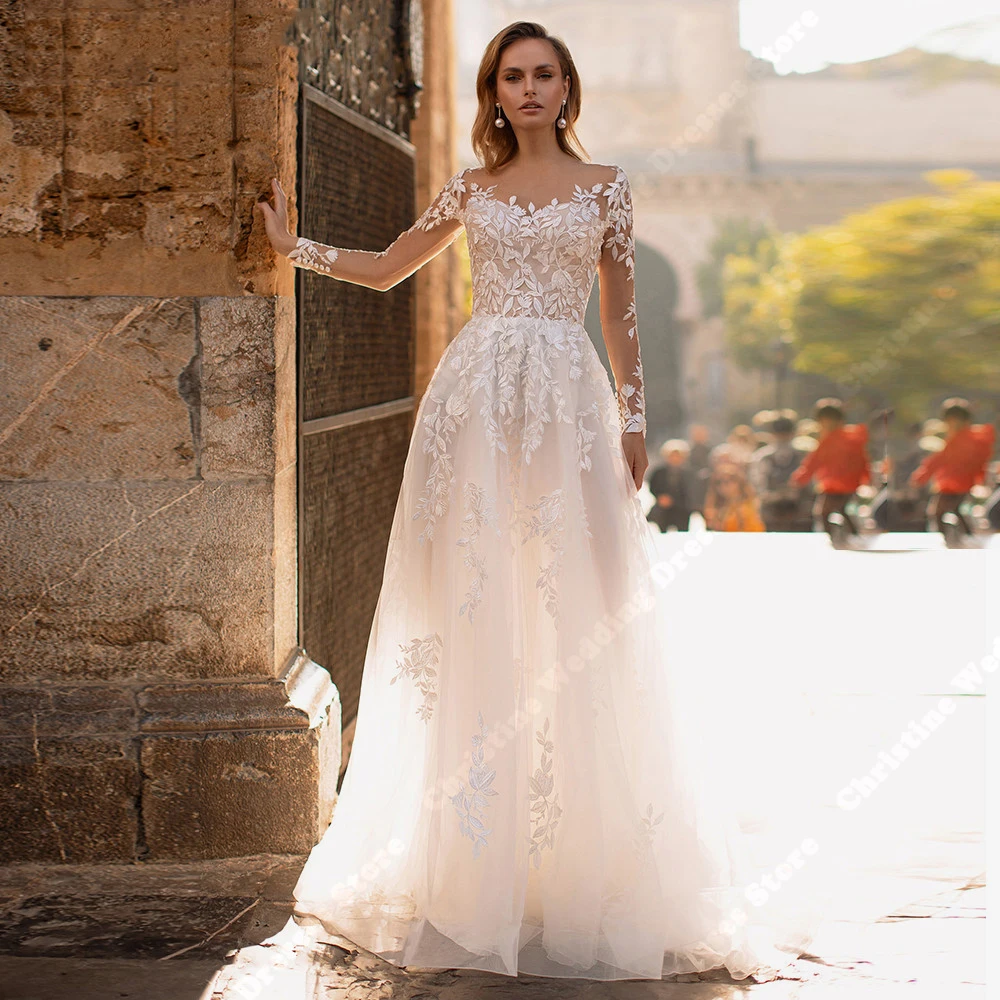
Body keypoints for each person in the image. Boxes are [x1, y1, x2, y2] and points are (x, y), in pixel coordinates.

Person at [257, 21, 817, 983]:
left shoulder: (606, 186)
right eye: (511, 76)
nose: (527, 89)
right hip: (474, 403)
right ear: (494, 91)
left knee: (578, 608)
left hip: (570, 402)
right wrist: (291, 245)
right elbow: (391, 267)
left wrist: (635, 419)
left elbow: (621, 310)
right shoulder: (470, 189)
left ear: (567, 88)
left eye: (543, 75)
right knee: (475, 607)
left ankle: (583, 859)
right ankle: (475, 859)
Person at [909, 398, 996, 538]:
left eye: (950, 421)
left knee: (937, 512)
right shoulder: (972, 437)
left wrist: (920, 477)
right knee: (955, 509)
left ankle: (948, 539)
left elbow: (939, 460)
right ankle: (967, 536)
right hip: (961, 483)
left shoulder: (961, 439)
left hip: (953, 484)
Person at [789, 398, 870, 537]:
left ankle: (832, 537)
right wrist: (866, 478)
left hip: (833, 485)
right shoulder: (852, 438)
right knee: (843, 509)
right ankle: (854, 535)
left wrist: (800, 478)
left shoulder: (830, 440)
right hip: (849, 484)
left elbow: (813, 462)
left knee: (823, 512)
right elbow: (863, 461)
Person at [748, 416, 809, 532]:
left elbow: (811, 482)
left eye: (785, 434)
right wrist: (773, 495)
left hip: (798, 510)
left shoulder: (803, 455)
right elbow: (758, 483)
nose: (783, 437)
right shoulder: (763, 457)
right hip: (772, 510)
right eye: (780, 434)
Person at [645, 440, 698, 532]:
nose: (675, 458)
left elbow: (692, 491)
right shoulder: (659, 472)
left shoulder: (689, 473)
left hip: (682, 509)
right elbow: (653, 486)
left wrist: (676, 500)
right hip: (664, 510)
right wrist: (660, 497)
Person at [703, 464, 766, 532]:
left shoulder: (751, 504)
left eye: (727, 481)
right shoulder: (714, 506)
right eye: (718, 482)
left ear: (739, 482)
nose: (723, 486)